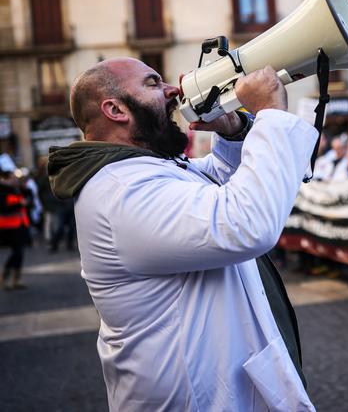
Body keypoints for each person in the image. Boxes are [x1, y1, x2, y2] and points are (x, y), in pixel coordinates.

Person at [47, 58, 316, 411]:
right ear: (115, 109)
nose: (172, 90)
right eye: (152, 83)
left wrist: (233, 129)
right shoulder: (120, 191)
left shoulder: (146, 170)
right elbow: (246, 224)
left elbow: (223, 183)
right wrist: (270, 112)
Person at [0, 158, 30, 291]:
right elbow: (4, 208)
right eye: (12, 177)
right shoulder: (2, 191)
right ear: (5, 178)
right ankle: (5, 276)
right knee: (16, 252)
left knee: (19, 252)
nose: (14, 179)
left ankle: (15, 279)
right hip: (7, 226)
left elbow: (29, 198)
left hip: (20, 224)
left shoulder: (16, 189)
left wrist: (24, 187)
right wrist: (19, 204)